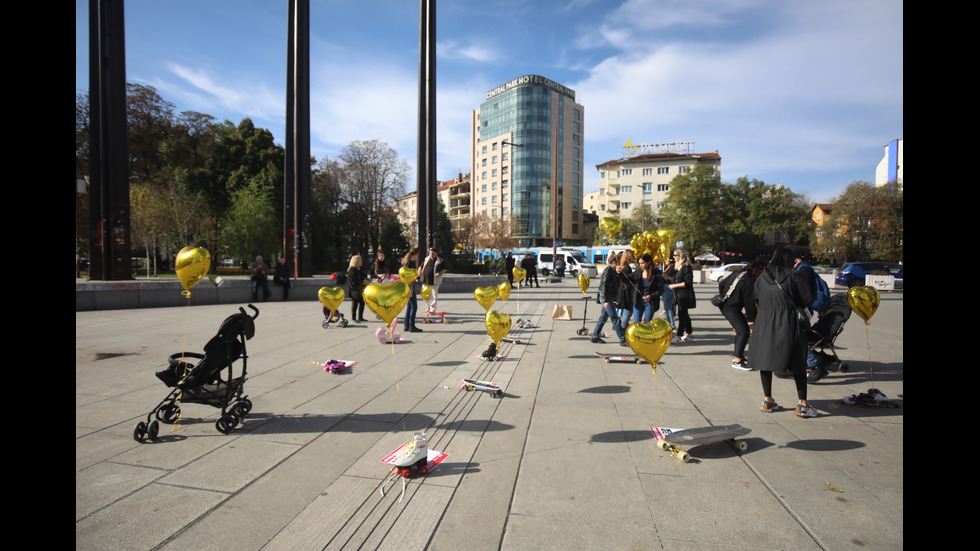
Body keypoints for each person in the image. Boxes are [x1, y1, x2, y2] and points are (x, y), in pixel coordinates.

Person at [752, 247, 817, 418]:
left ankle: (768, 400)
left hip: (765, 322)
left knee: (765, 362)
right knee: (798, 363)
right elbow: (808, 299)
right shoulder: (794, 276)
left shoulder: (762, 278)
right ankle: (802, 403)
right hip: (789, 322)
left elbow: (756, 297)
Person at [718, 259, 765, 370]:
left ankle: (738, 357)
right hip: (732, 308)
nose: (763, 273)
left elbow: (722, 283)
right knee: (744, 333)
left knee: (741, 331)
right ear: (757, 270)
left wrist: (723, 295)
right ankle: (737, 361)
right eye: (762, 270)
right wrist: (752, 318)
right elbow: (750, 303)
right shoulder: (749, 281)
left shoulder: (738, 273)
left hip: (726, 306)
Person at [591, 253, 626, 346]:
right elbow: (604, 285)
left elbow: (611, 282)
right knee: (614, 317)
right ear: (614, 262)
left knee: (603, 317)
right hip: (607, 297)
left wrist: (619, 282)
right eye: (618, 264)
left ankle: (595, 335)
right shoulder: (608, 271)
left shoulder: (612, 270)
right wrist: (605, 300)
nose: (619, 266)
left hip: (608, 296)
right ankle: (622, 338)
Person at [668, 249, 696, 342]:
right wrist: (668, 278)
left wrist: (674, 285)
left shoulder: (686, 267)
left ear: (681, 256)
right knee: (684, 314)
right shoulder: (677, 267)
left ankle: (679, 335)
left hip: (685, 294)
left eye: (675, 255)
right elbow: (676, 280)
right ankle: (689, 333)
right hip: (679, 294)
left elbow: (688, 282)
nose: (674, 257)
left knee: (682, 314)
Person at [630, 254, 663, 323]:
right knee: (637, 323)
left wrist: (650, 296)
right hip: (638, 301)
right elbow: (627, 278)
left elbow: (660, 290)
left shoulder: (656, 274)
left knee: (647, 322)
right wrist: (619, 272)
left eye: (642, 263)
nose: (640, 265)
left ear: (648, 262)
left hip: (649, 302)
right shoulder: (638, 272)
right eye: (639, 263)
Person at [420, 247, 448, 314]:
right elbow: (420, 267)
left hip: (434, 281)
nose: (431, 254)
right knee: (423, 295)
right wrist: (419, 276)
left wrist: (439, 273)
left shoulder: (440, 260)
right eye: (430, 253)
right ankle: (428, 306)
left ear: (436, 253)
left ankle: (432, 309)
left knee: (434, 296)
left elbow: (445, 269)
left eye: (433, 253)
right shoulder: (426, 259)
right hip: (425, 281)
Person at [402, 248, 422, 332]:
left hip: (406, 286)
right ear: (416, 254)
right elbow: (410, 274)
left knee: (409, 305)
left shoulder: (406, 261)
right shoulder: (410, 262)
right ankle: (411, 325)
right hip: (410, 286)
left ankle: (407, 324)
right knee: (414, 306)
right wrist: (417, 278)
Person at [616, 250, 636, 327]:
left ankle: (622, 328)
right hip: (626, 294)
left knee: (624, 313)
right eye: (632, 256)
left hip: (622, 293)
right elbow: (627, 280)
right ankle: (623, 330)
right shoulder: (627, 268)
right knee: (627, 313)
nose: (633, 258)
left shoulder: (622, 267)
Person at [347, 255, 369, 323]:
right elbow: (353, 280)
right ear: (357, 261)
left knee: (362, 303)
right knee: (355, 303)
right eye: (360, 260)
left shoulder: (361, 269)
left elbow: (365, 275)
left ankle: (360, 317)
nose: (362, 262)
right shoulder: (352, 270)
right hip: (355, 289)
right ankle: (353, 318)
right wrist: (362, 282)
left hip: (362, 288)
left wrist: (366, 280)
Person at [661, 258, 676, 329]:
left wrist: (667, 277)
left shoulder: (672, 268)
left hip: (669, 287)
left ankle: (672, 324)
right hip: (663, 287)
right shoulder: (664, 267)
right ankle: (669, 322)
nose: (665, 262)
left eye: (666, 260)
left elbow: (674, 279)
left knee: (668, 307)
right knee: (666, 307)